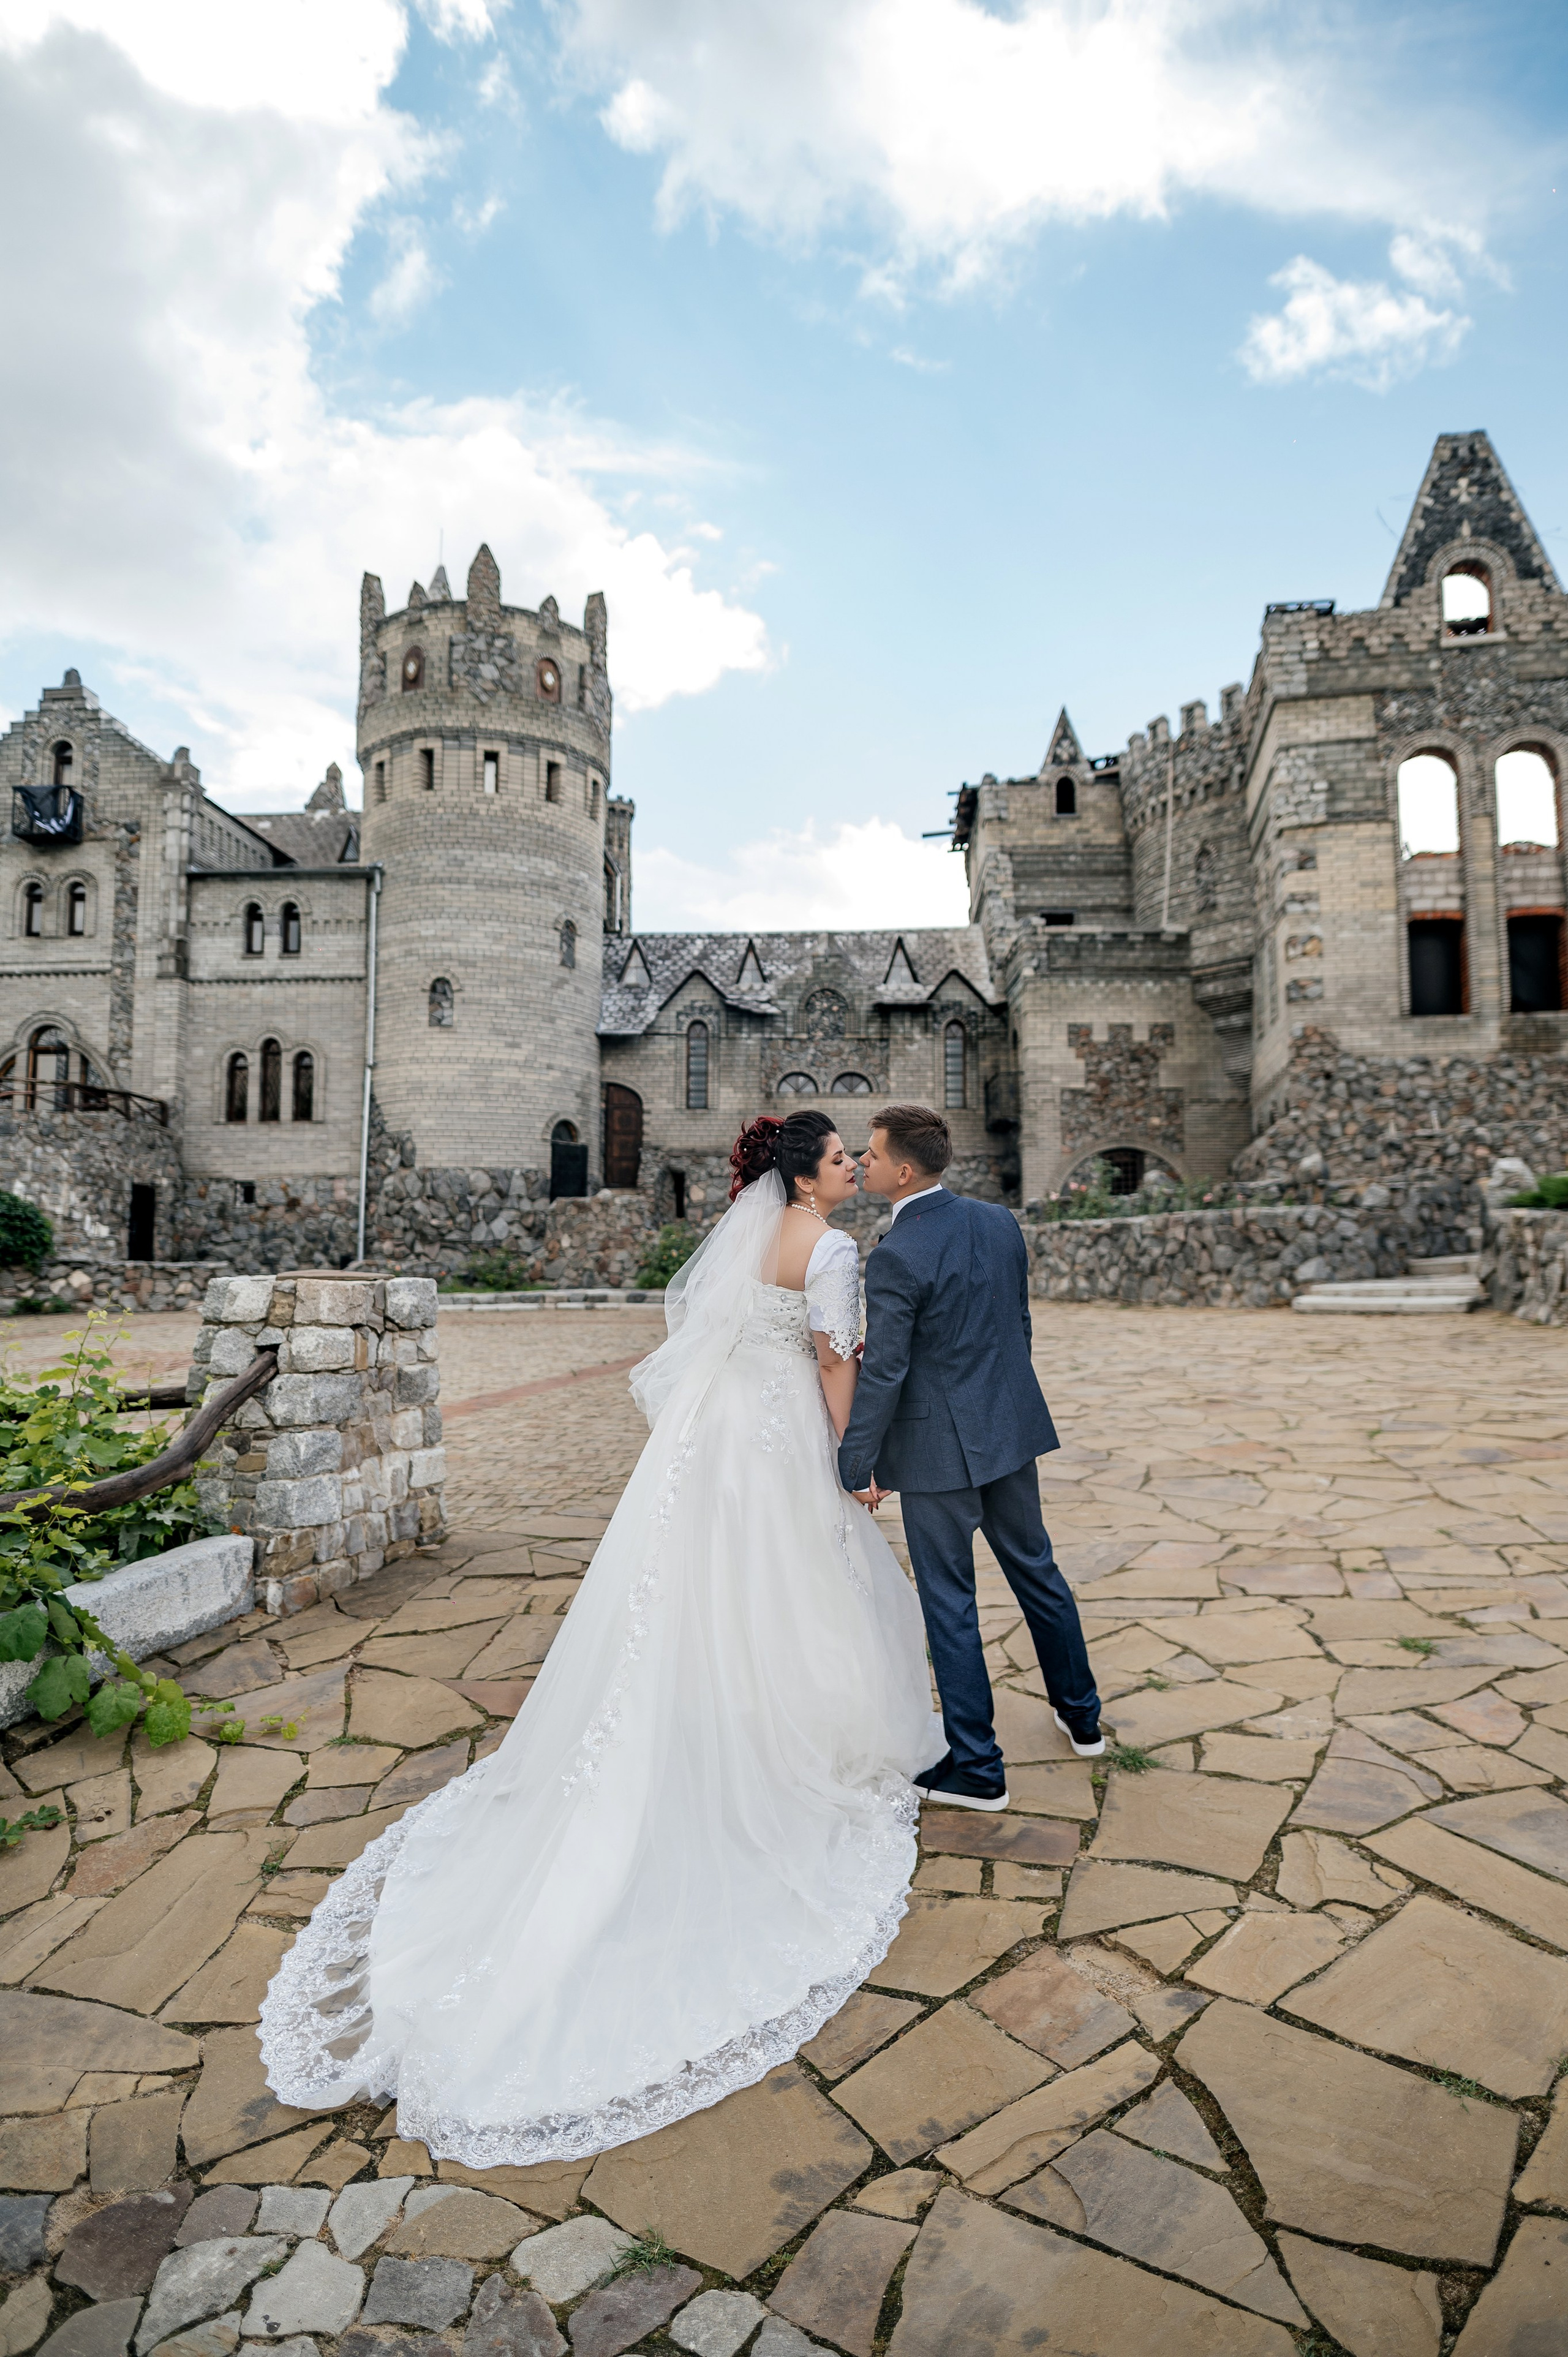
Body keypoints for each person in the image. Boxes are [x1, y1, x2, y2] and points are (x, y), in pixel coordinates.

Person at [259, 1111, 940, 2167]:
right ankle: (784, 1735)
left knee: (691, 1581)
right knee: (792, 1575)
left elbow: (719, 1340)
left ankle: (706, 1700)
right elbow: (834, 1360)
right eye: (842, 1157)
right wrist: (853, 1459)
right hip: (781, 1433)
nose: (855, 1166)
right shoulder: (834, 1246)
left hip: (713, 1434)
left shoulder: (752, 1234)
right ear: (806, 1176)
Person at [837, 1103, 1102, 1809]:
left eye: (870, 1152)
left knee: (951, 1604)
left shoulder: (896, 1254)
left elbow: (887, 1370)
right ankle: (1083, 1719)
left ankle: (979, 1770)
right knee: (1038, 1571)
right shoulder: (997, 1221)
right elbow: (1016, 1324)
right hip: (1009, 1430)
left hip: (934, 1455)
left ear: (901, 1168)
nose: (861, 1161)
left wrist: (854, 1460)